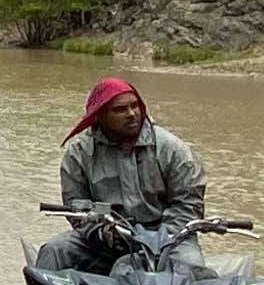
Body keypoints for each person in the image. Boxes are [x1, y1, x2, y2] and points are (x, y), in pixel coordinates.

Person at [37, 75, 204, 271]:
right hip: (106, 240)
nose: (132, 114)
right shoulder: (79, 153)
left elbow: (189, 204)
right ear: (101, 116)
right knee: (55, 250)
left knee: (193, 267)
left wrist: (161, 236)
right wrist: (101, 232)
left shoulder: (172, 149)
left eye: (135, 106)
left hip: (169, 239)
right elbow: (76, 206)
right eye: (120, 110)